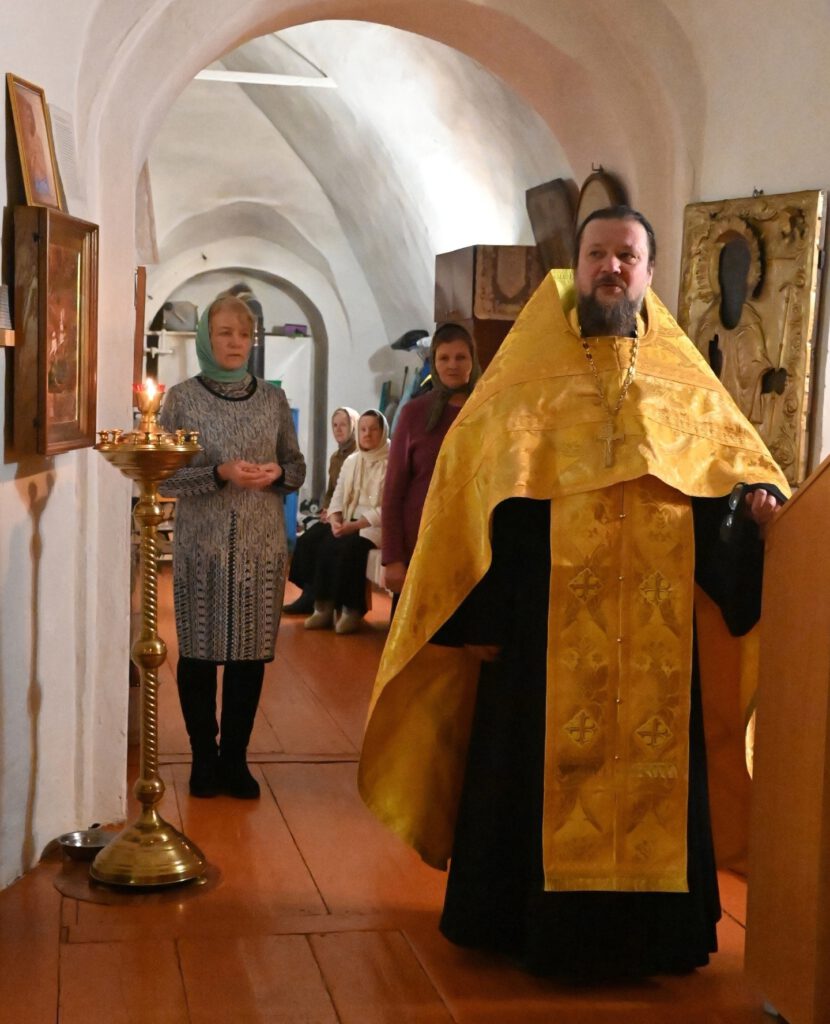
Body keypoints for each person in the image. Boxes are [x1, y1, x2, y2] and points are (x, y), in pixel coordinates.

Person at [359, 206, 789, 979]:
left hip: (657, 639)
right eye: (598, 254)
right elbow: (475, 500)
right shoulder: (522, 383)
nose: (611, 267)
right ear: (576, 268)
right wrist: (478, 615)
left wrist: (754, 514)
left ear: (649, 273)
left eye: (627, 255)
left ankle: (653, 938)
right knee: (531, 775)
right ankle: (526, 927)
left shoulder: (685, 389)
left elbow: (723, 487)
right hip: (538, 637)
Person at [159, 293, 305, 799]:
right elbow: (165, 480)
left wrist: (277, 473)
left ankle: (235, 760)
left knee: (248, 657)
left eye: (244, 334)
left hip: (261, 550)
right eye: (225, 332)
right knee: (199, 656)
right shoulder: (181, 399)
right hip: (202, 548)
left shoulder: (272, 400)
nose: (236, 342)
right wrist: (219, 473)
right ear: (206, 337)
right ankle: (203, 758)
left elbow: (297, 467)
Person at [382, 324, 480, 599]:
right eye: (444, 358)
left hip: (475, 549)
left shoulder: (488, 411)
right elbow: (393, 491)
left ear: (473, 361)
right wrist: (393, 557)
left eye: (460, 357)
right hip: (421, 545)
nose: (452, 365)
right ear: (434, 363)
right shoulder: (413, 414)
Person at [304, 409, 389, 635]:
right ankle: (323, 606)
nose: (367, 434)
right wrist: (335, 519)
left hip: (375, 525)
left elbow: (389, 506)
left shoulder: (392, 461)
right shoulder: (352, 460)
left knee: (352, 548)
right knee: (326, 543)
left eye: (373, 429)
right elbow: (338, 495)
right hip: (348, 518)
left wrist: (355, 525)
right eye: (363, 429)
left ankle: (352, 609)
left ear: (383, 431)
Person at [283, 407, 359, 615]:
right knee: (307, 540)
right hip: (335, 514)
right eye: (335, 425)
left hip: (352, 517)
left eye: (343, 425)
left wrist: (337, 512)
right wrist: (327, 508)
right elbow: (332, 490)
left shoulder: (359, 455)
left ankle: (324, 599)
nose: (338, 429)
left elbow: (356, 494)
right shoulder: (336, 457)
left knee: (325, 544)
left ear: (353, 426)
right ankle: (309, 595)